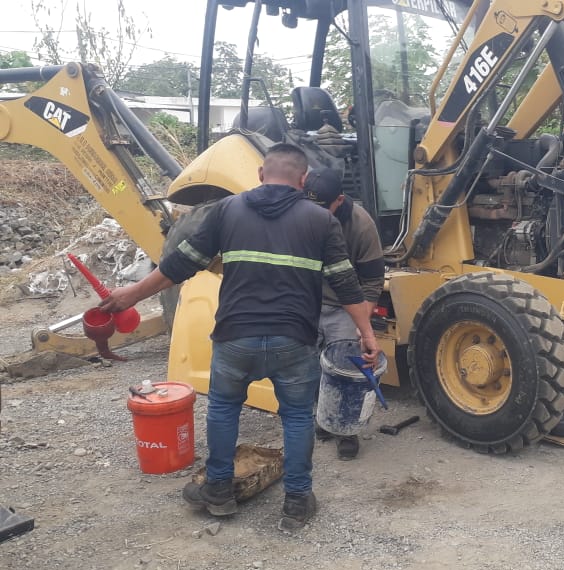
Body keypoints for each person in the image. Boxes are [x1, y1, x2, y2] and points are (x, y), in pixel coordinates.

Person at [100, 143, 380, 532]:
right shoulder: (322, 221)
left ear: (262, 174)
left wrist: (130, 295)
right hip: (293, 339)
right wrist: (367, 334)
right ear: (303, 180)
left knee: (223, 409)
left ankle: (218, 492)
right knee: (298, 416)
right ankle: (297, 502)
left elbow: (178, 265)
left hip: (236, 337)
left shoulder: (227, 209)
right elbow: (347, 284)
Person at [302, 167, 385, 460]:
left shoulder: (361, 225)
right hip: (309, 301)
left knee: (346, 370)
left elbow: (373, 281)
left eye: (323, 208)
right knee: (311, 366)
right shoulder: (301, 214)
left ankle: (346, 432)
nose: (315, 215)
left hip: (344, 306)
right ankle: (323, 418)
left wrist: (363, 325)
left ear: (339, 200)